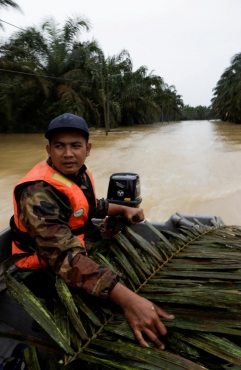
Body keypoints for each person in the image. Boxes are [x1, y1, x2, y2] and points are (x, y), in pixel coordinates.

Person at [10, 113, 174, 350]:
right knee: (109, 318)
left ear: (88, 149)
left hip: (79, 249)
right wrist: (129, 301)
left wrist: (125, 209)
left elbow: (91, 206)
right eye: (59, 146)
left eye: (75, 146)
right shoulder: (36, 193)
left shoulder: (79, 175)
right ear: (49, 149)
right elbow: (65, 258)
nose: (68, 154)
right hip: (41, 270)